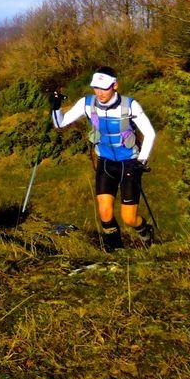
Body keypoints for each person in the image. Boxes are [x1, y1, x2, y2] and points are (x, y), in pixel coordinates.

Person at [50, 66, 156, 249]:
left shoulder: (130, 105)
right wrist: (56, 106)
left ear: (115, 85)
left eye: (104, 88)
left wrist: (142, 160)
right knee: (105, 212)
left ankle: (145, 231)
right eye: (96, 88)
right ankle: (116, 249)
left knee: (129, 218)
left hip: (130, 163)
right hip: (105, 162)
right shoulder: (86, 104)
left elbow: (150, 133)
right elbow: (60, 123)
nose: (99, 93)